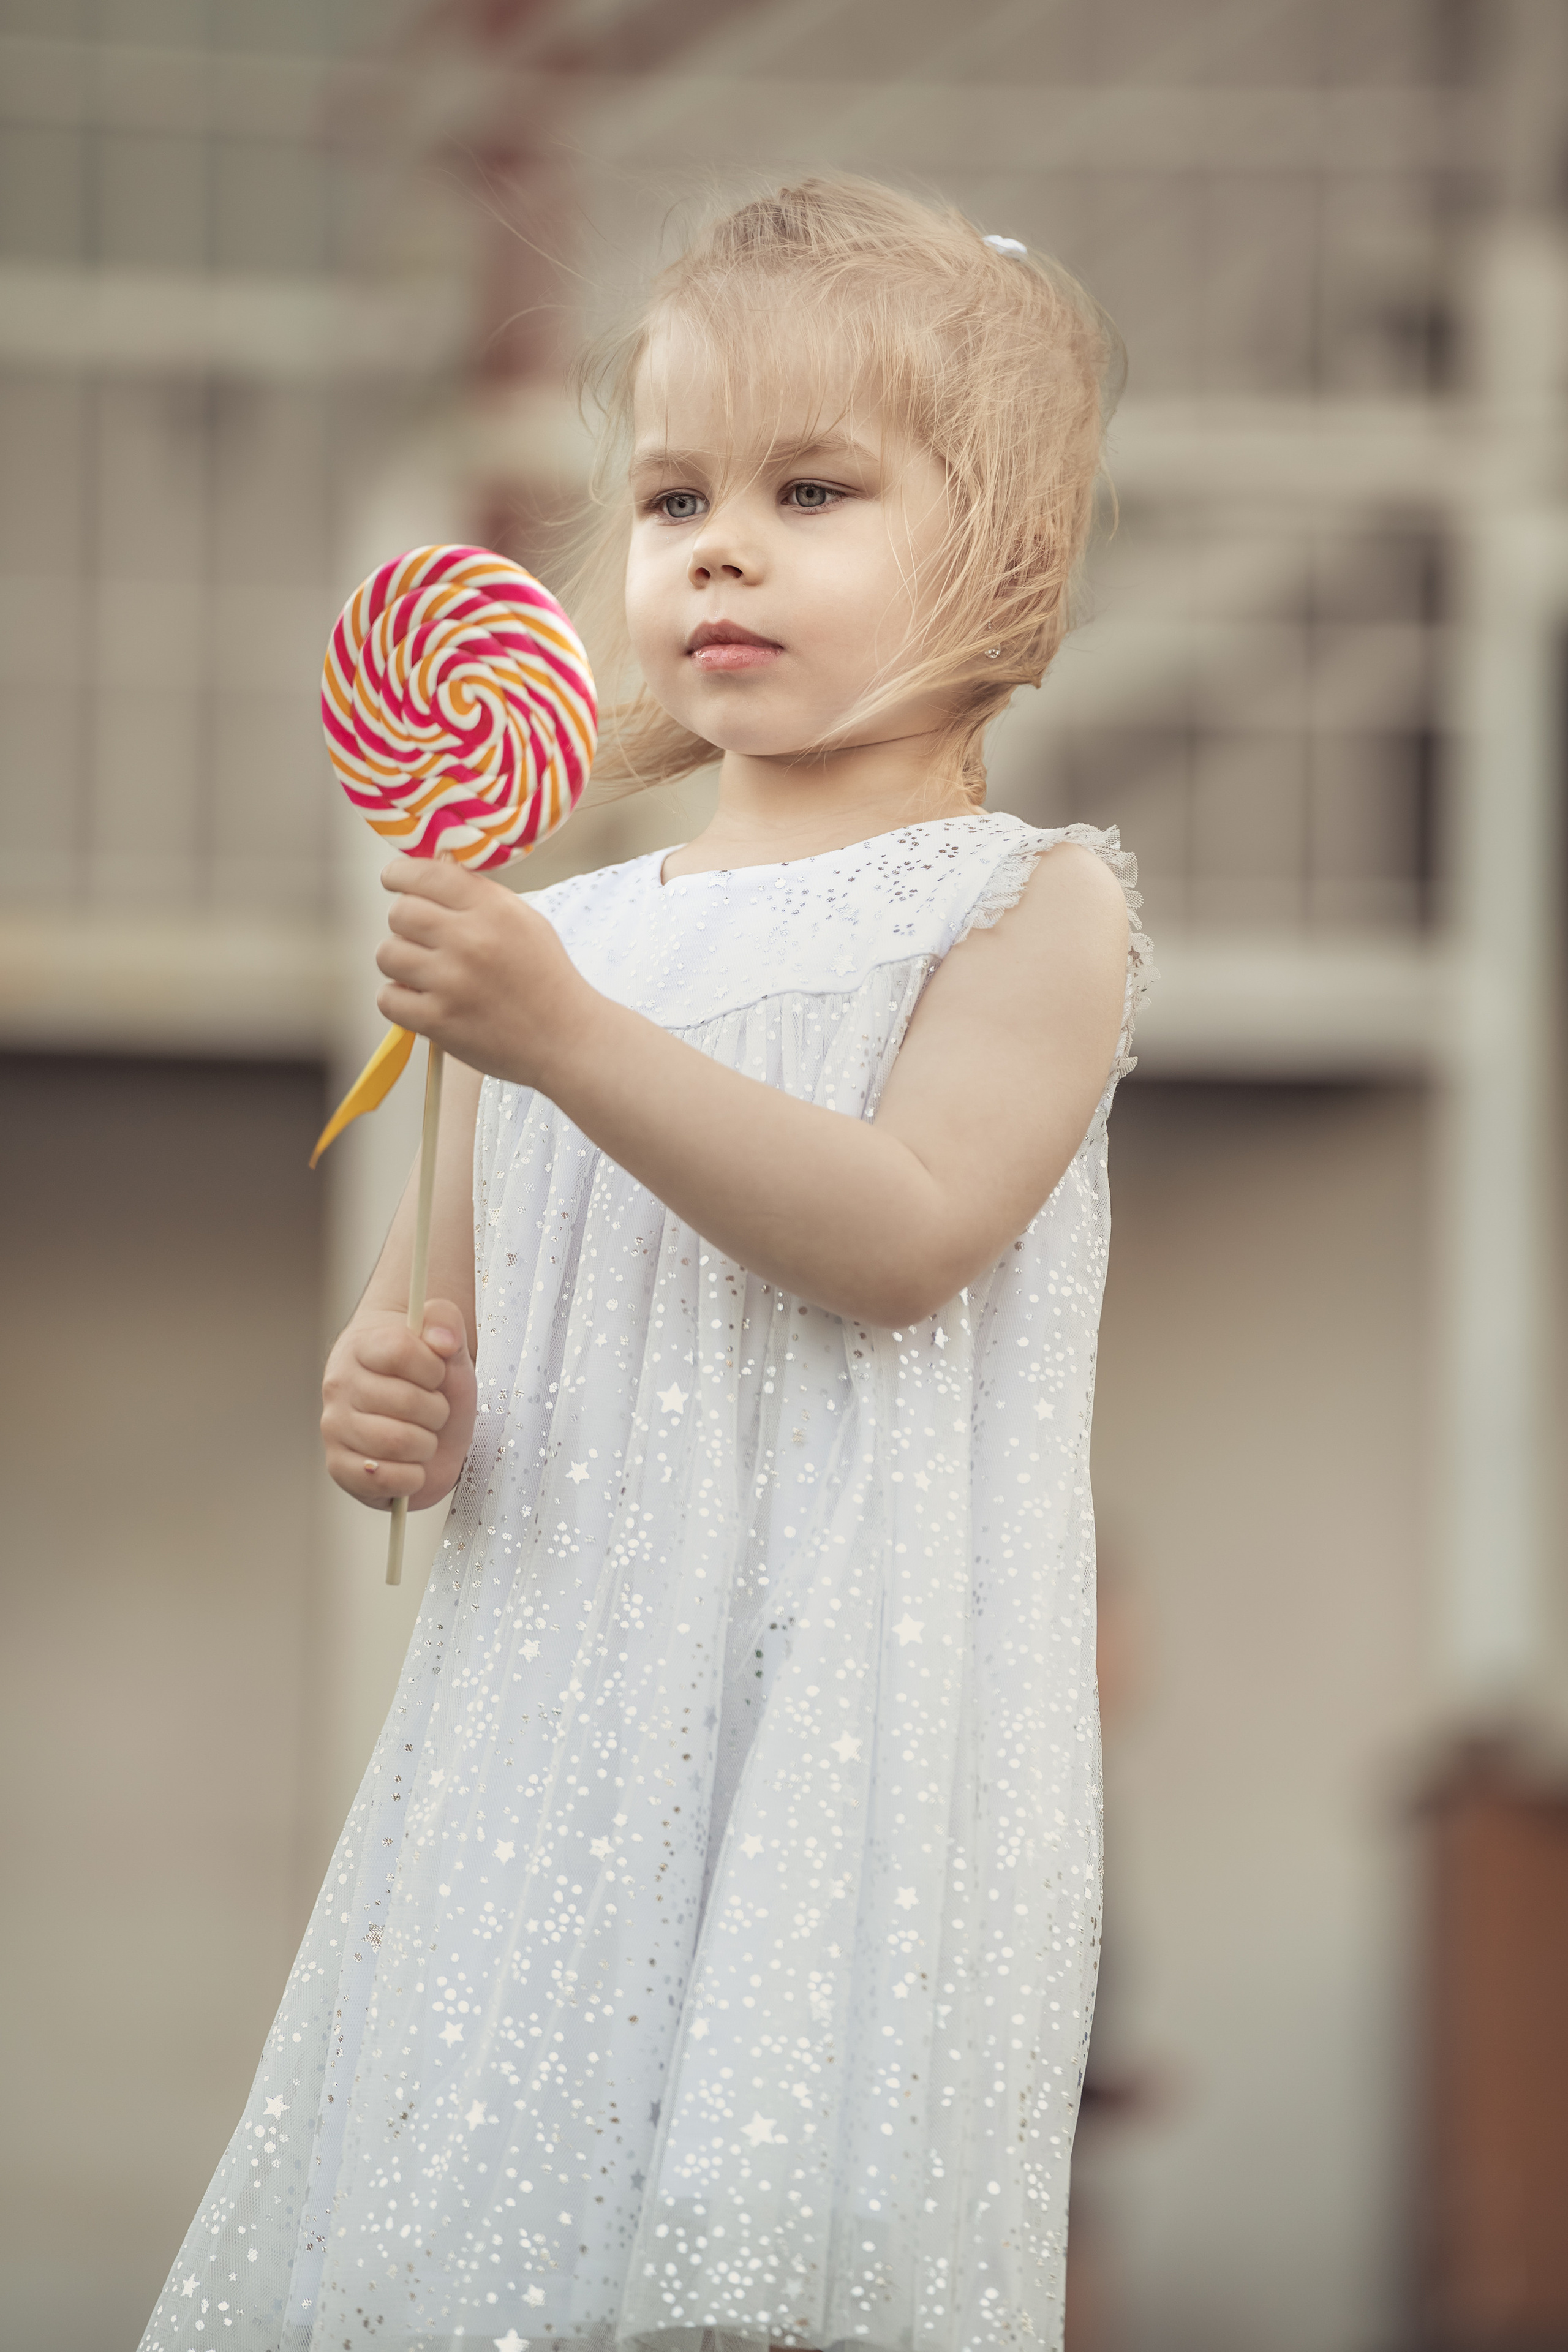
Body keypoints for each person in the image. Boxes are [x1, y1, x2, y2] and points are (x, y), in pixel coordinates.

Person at [140, 175, 1151, 2352]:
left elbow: (899, 1238)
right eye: (675, 489)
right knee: (485, 2232)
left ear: (1002, 545)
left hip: (834, 1733)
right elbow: (478, 1336)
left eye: (812, 487)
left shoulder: (1020, 905)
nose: (718, 543)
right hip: (556, 1732)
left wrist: (561, 1038)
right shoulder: (575, 927)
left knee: (755, 2261)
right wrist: (388, 1398)